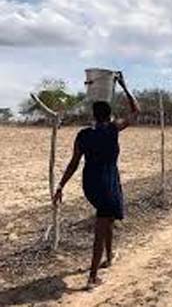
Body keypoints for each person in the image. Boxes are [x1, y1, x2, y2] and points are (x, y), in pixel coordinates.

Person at [53, 73, 140, 289]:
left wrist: (61, 185)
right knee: (101, 227)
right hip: (107, 182)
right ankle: (92, 277)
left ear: (93, 115)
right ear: (109, 115)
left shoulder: (83, 134)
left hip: (90, 183)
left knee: (107, 219)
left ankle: (109, 257)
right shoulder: (112, 129)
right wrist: (124, 86)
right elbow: (136, 111)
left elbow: (74, 163)